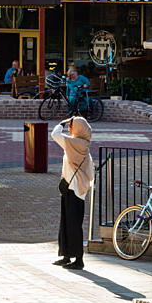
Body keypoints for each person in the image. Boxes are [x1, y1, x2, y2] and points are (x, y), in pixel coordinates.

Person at [52, 116, 94, 270]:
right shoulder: (80, 143)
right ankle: (67, 255)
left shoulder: (75, 143)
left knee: (74, 225)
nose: (70, 128)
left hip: (74, 190)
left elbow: (55, 134)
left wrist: (62, 123)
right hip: (71, 189)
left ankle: (79, 259)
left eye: (72, 126)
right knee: (66, 223)